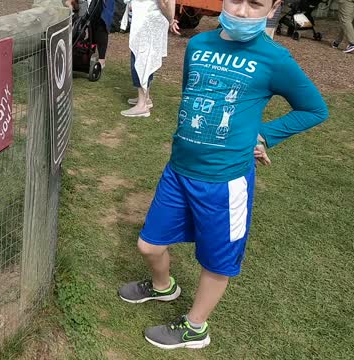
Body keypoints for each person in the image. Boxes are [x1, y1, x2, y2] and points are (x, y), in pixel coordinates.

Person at [117, 0, 328, 350]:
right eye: (235, 0)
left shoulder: (274, 59)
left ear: (273, 7)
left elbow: (314, 109)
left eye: (256, 3)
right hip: (179, 170)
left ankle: (196, 328)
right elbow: (193, 96)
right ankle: (163, 287)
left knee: (217, 260)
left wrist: (262, 136)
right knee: (149, 244)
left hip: (224, 183)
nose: (243, 11)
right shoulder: (199, 44)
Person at [120, 0, 180, 118]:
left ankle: (142, 105)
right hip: (150, 19)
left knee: (140, 59)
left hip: (148, 21)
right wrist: (170, 18)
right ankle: (145, 98)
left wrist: (171, 20)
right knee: (147, 58)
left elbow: (164, 2)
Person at [65, 0, 116, 68]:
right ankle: (89, 55)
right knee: (89, 28)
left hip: (103, 8)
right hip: (88, 9)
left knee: (101, 28)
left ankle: (101, 60)